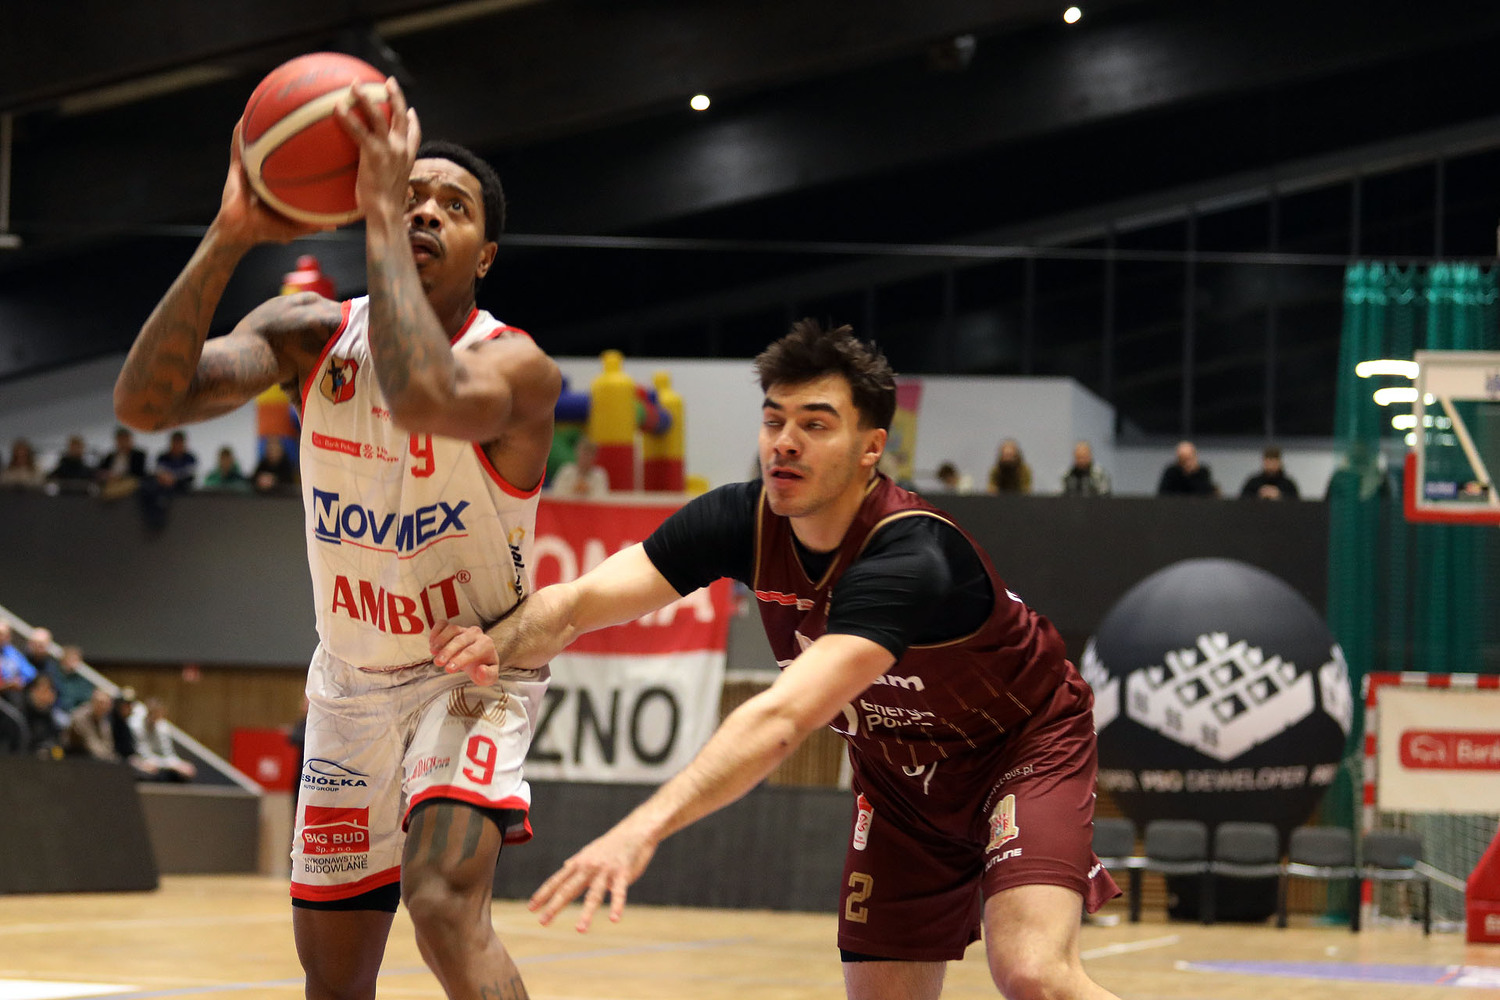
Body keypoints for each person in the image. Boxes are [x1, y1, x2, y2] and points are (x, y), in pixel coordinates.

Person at [432, 320, 1121, 1000]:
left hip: (1019, 751)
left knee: (1033, 973)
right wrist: (496, 641)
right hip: (899, 782)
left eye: (815, 424)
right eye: (773, 420)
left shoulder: (909, 556)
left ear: (871, 448)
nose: (785, 442)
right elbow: (578, 604)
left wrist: (643, 828)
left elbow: (784, 719)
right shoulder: (739, 520)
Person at [113, 75, 561, 1000]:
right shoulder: (307, 335)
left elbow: (422, 394)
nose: (425, 211)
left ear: (486, 257)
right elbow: (146, 404)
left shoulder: (516, 367)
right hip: (349, 689)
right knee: (333, 978)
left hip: (472, 674)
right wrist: (230, 234)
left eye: (453, 207)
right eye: (411, 196)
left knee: (442, 904)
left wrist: (384, 218)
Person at [129, 697, 197, 781]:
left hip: (158, 763)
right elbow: (143, 754)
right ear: (148, 712)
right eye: (153, 713)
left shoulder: (162, 726)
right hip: (140, 760)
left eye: (158, 714)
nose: (156, 717)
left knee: (185, 771)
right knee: (145, 767)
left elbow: (168, 753)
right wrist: (170, 765)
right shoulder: (136, 726)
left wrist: (179, 764)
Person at [65, 688, 119, 761]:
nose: (103, 706)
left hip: (95, 760)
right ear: (93, 702)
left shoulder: (104, 721)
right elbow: (90, 745)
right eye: (100, 703)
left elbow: (109, 746)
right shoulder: (80, 717)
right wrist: (109, 758)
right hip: (76, 759)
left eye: (106, 704)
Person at [96, 427, 148, 499]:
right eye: (120, 440)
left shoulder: (138, 455)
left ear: (130, 440)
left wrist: (120, 476)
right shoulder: (110, 456)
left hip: (128, 480)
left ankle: (107, 495)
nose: (123, 443)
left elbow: (139, 473)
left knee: (131, 483)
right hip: (110, 480)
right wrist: (106, 475)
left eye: (125, 439)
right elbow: (101, 469)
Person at [48, 644, 94, 720]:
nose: (72, 663)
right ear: (62, 660)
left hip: (78, 712)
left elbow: (87, 698)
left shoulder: (84, 679)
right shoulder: (53, 675)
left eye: (75, 660)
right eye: (69, 659)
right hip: (58, 710)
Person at [0, 622, 35, 698]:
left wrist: (20, 680)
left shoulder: (12, 652)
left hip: (9, 693)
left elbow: (30, 672)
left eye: (3, 635)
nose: (1, 637)